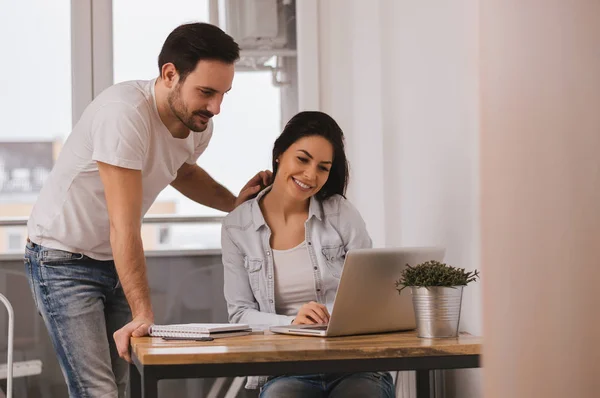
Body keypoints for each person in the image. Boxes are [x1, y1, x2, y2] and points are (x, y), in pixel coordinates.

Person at [24, 22, 269, 398]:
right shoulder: (124, 115)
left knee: (119, 387)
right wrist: (143, 312)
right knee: (97, 391)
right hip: (61, 260)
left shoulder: (197, 124)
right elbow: (124, 227)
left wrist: (232, 204)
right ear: (170, 74)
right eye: (206, 92)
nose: (216, 107)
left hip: (112, 261)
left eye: (223, 94)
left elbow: (182, 171)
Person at [221, 111, 396, 397]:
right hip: (286, 368)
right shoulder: (237, 226)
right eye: (302, 159)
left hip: (354, 364)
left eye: (323, 167)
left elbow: (372, 292)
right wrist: (292, 324)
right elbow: (240, 315)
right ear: (279, 154)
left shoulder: (340, 212)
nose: (311, 175)